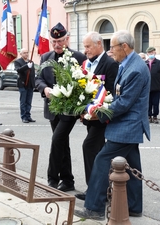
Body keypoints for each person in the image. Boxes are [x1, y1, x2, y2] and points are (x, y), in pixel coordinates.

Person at [74, 30, 150, 220]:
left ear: (124, 47)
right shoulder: (127, 64)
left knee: (101, 160)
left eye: (113, 47)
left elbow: (124, 102)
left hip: (127, 126)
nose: (111, 51)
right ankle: (134, 206)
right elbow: (117, 96)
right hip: (127, 124)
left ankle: (94, 208)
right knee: (132, 166)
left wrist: (96, 113)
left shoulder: (135, 69)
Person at [35, 23, 86, 192]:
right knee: (62, 143)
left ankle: (52, 178)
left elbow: (85, 81)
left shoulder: (78, 57)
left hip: (69, 110)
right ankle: (68, 180)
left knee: (57, 140)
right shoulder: (45, 57)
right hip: (52, 108)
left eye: (60, 41)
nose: (57, 45)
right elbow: (38, 79)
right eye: (54, 42)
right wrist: (45, 89)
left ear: (67, 39)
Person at [75, 31, 118, 201]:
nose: (85, 50)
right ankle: (100, 188)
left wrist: (98, 111)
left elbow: (112, 92)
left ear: (99, 44)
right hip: (90, 118)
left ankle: (95, 191)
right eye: (84, 47)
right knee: (97, 152)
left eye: (88, 46)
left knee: (89, 148)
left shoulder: (110, 64)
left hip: (102, 118)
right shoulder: (86, 64)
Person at [14, 48, 36, 123]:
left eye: (27, 52)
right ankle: (23, 117)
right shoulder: (17, 61)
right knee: (23, 101)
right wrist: (26, 66)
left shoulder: (31, 62)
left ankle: (28, 116)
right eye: (24, 53)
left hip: (30, 84)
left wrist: (34, 84)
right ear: (21, 54)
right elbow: (18, 70)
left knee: (29, 102)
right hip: (23, 84)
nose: (26, 54)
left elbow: (32, 74)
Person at [146, 46, 160, 124]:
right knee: (148, 102)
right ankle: (149, 116)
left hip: (156, 86)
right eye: (150, 53)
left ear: (155, 53)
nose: (151, 54)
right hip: (147, 86)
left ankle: (155, 116)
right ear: (147, 54)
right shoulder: (145, 63)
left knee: (156, 102)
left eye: (153, 52)